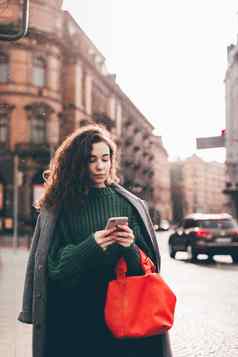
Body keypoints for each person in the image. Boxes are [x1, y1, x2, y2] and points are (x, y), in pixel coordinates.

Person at [18, 125, 173, 357]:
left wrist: (129, 246)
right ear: (77, 163)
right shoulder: (59, 206)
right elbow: (54, 268)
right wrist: (91, 246)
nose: (100, 166)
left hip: (124, 312)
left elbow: (146, 268)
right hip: (74, 316)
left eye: (105, 158)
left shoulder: (130, 204)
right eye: (91, 160)